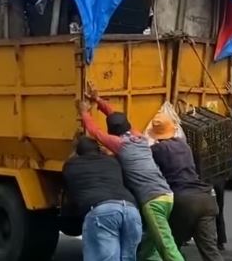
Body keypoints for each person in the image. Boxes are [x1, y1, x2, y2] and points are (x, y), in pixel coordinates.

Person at [77, 87, 184, 261]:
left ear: (113, 132)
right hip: (167, 195)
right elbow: (116, 116)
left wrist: (84, 113)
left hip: (152, 200)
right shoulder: (139, 137)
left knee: (166, 246)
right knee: (151, 242)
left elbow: (96, 132)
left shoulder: (120, 144)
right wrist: (99, 100)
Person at [148, 113, 224, 261]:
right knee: (209, 250)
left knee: (171, 245)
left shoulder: (157, 150)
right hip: (206, 198)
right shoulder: (184, 145)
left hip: (184, 200)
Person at [62, 136, 142, 261]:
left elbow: (70, 194)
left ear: (78, 151)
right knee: (128, 258)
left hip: (102, 211)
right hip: (131, 209)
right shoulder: (112, 162)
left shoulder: (71, 165)